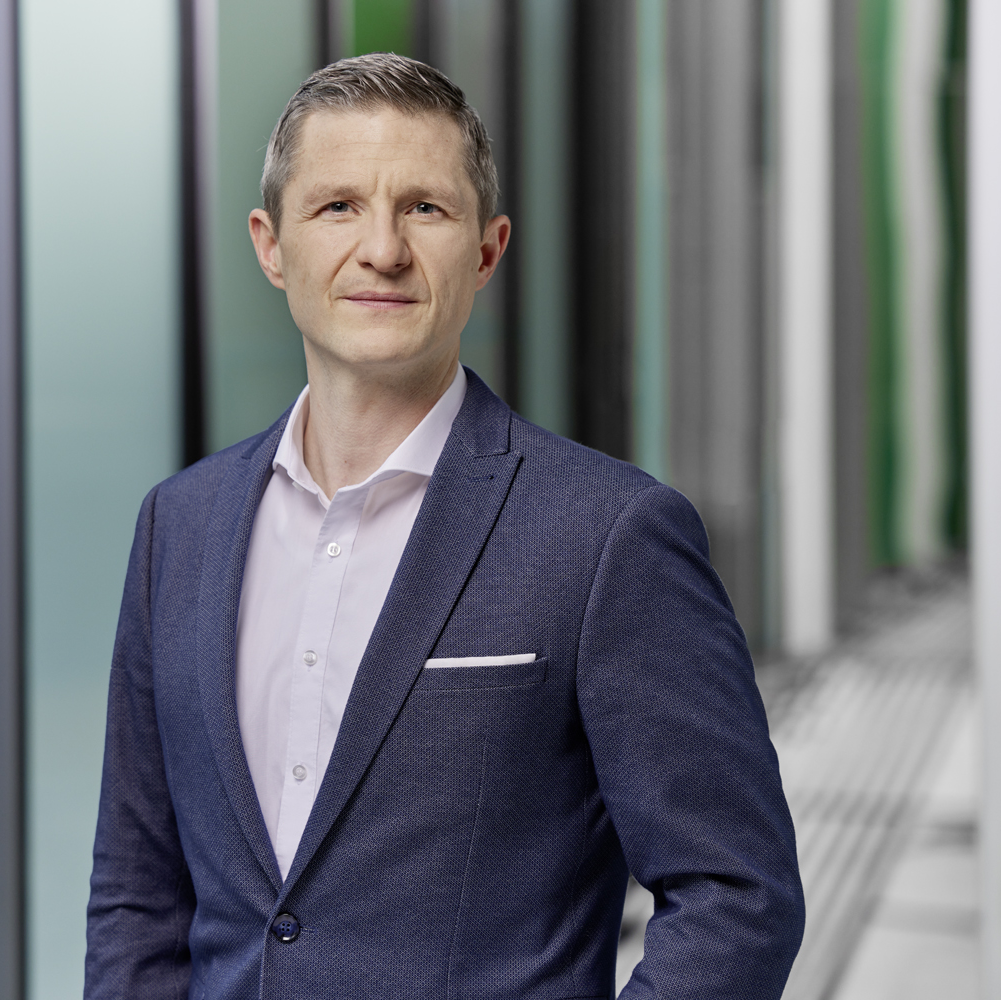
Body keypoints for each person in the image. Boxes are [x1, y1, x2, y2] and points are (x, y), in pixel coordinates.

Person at [85, 53, 802, 999]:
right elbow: (138, 896)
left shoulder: (608, 535)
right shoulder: (178, 528)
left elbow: (737, 893)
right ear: (271, 245)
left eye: (424, 208)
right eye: (337, 206)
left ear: (488, 251)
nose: (382, 249)